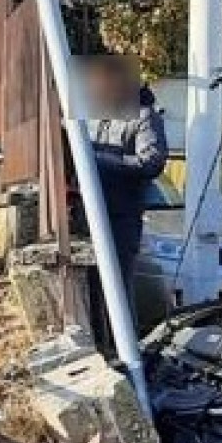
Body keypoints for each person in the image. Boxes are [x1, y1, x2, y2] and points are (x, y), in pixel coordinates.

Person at [82, 56, 168, 287]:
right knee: (90, 287)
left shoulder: (144, 116)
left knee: (117, 285)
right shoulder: (93, 114)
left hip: (121, 217)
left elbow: (152, 161)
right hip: (88, 213)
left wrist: (100, 159)